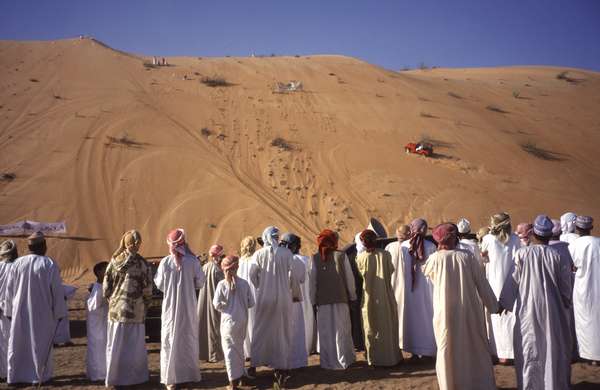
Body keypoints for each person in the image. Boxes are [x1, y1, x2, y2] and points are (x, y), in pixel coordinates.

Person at [424, 223, 501, 390]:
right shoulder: (467, 257)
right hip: (469, 310)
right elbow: (482, 284)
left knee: (447, 347)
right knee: (474, 345)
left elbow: (429, 275)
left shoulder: (434, 259)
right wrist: (494, 306)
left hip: (445, 312)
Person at [500, 215, 572, 388]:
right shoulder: (558, 256)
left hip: (528, 311)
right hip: (553, 311)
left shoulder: (522, 254)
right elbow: (565, 286)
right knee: (551, 348)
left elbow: (512, 281)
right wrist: (565, 301)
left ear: (533, 234)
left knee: (529, 349)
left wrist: (503, 303)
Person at [5, 232, 68, 385]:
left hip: (19, 313)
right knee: (40, 344)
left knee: (18, 344)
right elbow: (57, 291)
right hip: (43, 313)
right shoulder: (49, 264)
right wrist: (59, 312)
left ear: (29, 247)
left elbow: (9, 290)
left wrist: (8, 311)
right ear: (43, 246)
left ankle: (15, 377)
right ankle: (39, 377)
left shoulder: (17, 264)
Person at [155, 229, 206, 388]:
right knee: (187, 339)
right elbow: (200, 283)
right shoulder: (193, 261)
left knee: (170, 340)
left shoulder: (165, 262)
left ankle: (171, 381)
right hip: (188, 308)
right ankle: (187, 376)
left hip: (170, 308)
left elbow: (160, 285)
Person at [103, 230, 153, 387]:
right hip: (135, 313)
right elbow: (147, 290)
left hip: (115, 313)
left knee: (115, 346)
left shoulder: (114, 261)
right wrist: (146, 304)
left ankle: (114, 379)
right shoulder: (142, 264)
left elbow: (106, 288)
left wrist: (113, 301)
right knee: (133, 347)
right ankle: (133, 379)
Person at [249, 226, 297, 385]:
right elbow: (293, 274)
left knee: (261, 330)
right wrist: (288, 288)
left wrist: (260, 286)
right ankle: (281, 367)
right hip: (283, 298)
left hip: (265, 298)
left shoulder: (258, 254)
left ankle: (255, 364)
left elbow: (252, 275)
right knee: (281, 331)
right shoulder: (287, 253)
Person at [310, 229, 357, 369]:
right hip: (340, 300)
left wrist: (313, 301)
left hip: (323, 302)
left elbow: (312, 283)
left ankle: (328, 362)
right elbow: (349, 279)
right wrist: (353, 296)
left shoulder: (315, 258)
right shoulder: (341, 256)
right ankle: (344, 360)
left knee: (326, 332)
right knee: (341, 330)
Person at [356, 230, 402, 367]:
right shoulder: (386, 255)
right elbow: (391, 270)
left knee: (370, 326)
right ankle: (391, 358)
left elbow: (360, 275)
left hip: (369, 297)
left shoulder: (360, 257)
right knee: (387, 325)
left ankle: (373, 359)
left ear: (363, 242)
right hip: (385, 296)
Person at [481, 212, 520, 363]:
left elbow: (483, 258)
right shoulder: (516, 239)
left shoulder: (488, 239)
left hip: (493, 284)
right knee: (511, 317)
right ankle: (510, 352)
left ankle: (497, 352)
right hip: (512, 283)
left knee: (494, 318)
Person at [214, 256, 255, 390]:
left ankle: (233, 383)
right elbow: (251, 303)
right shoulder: (244, 283)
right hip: (242, 321)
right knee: (239, 348)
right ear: (236, 268)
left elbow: (216, 305)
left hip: (228, 323)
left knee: (230, 351)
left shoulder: (221, 284)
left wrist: (227, 305)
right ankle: (242, 375)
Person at [399, 218, 437, 359]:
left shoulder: (403, 246)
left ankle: (414, 352)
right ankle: (427, 351)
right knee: (426, 316)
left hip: (409, 290)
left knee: (412, 318)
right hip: (426, 289)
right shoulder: (430, 246)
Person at [568, 215, 600, 365]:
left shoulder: (574, 245)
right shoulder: (598, 242)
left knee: (584, 322)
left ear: (577, 228)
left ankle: (588, 355)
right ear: (591, 228)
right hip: (597, 286)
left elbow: (570, 266)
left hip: (583, 289)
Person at [280, 233, 314, 367]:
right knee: (300, 327)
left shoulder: (282, 259)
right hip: (300, 298)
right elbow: (304, 279)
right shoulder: (304, 260)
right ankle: (299, 358)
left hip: (287, 299)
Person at [198, 244, 226, 362]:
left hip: (204, 302)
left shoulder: (205, 267)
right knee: (214, 328)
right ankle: (214, 355)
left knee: (204, 327)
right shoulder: (217, 270)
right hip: (214, 303)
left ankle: (204, 354)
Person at [236, 236, 258, 363]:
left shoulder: (239, 262)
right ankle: (255, 350)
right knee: (254, 321)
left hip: (242, 294)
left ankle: (246, 351)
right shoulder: (255, 260)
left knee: (245, 320)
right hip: (254, 293)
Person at [86, 261, 109, 382]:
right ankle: (99, 374)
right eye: (106, 269)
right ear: (99, 272)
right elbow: (93, 306)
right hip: (98, 324)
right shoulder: (98, 287)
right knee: (98, 347)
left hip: (104, 322)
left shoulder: (101, 286)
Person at [0, 240, 18, 380]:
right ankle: (11, 372)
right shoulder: (18, 267)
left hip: (3, 309)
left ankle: (4, 372)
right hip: (14, 309)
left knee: (3, 342)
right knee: (13, 341)